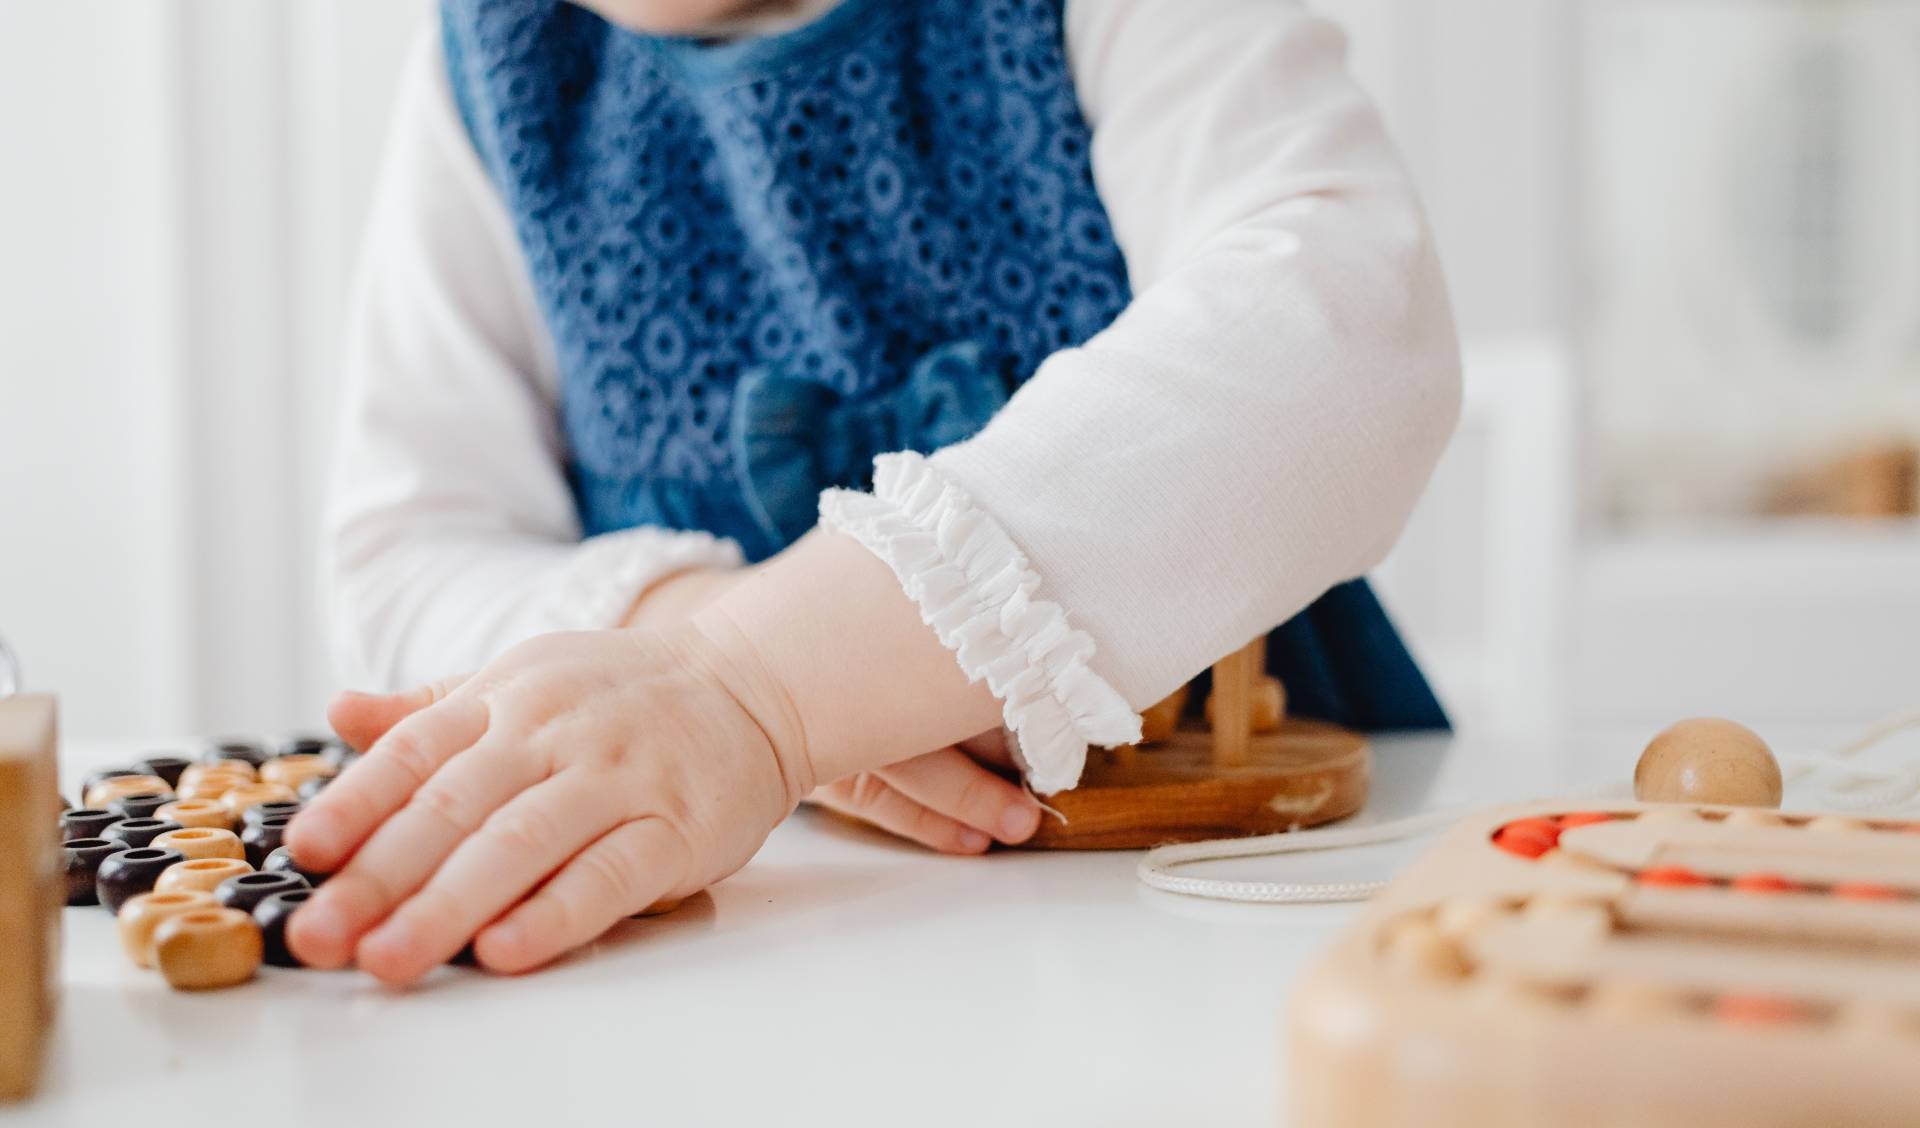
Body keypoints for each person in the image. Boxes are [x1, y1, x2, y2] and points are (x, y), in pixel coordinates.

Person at [288, 0, 1461, 985]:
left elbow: (1344, 326)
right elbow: (411, 548)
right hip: (767, 933)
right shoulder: (496, 61)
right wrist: (686, 659)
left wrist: (761, 683)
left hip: (1225, 896)